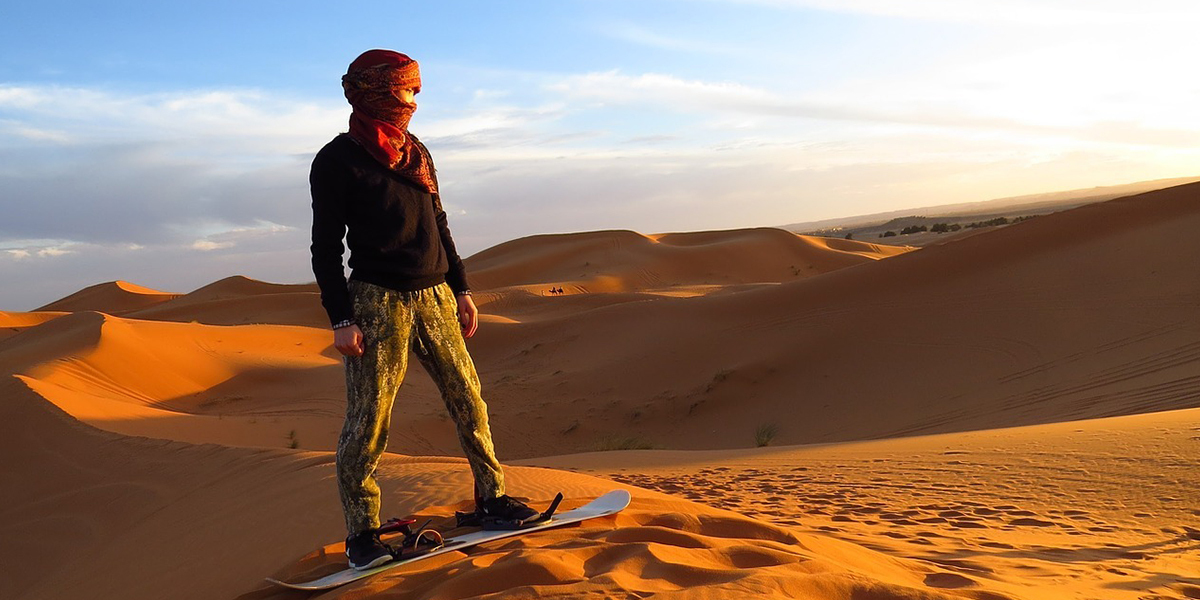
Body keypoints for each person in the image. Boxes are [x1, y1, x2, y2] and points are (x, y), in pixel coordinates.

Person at [309, 49, 538, 571]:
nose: (416, 98)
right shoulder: (336, 160)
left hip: (435, 296)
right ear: (380, 93)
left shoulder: (417, 152)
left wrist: (462, 289)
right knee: (368, 423)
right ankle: (362, 535)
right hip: (375, 302)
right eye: (408, 89)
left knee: (469, 401)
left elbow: (438, 221)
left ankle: (491, 498)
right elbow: (325, 247)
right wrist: (341, 319)